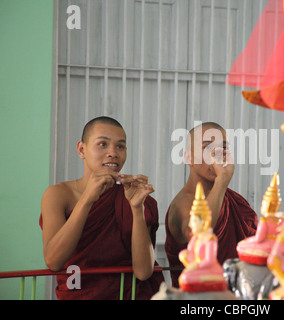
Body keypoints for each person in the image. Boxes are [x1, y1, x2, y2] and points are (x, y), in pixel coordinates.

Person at [39, 116, 164, 299]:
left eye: (120, 146)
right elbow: (53, 261)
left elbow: (144, 272)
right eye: (103, 144)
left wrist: (137, 209)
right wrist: (87, 199)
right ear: (82, 150)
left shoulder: (132, 196)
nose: (113, 153)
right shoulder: (58, 195)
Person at [165, 122, 258, 287]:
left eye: (223, 147)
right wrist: (221, 181)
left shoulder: (234, 199)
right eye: (207, 148)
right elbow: (198, 233)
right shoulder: (183, 203)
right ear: (189, 158)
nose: (217, 154)